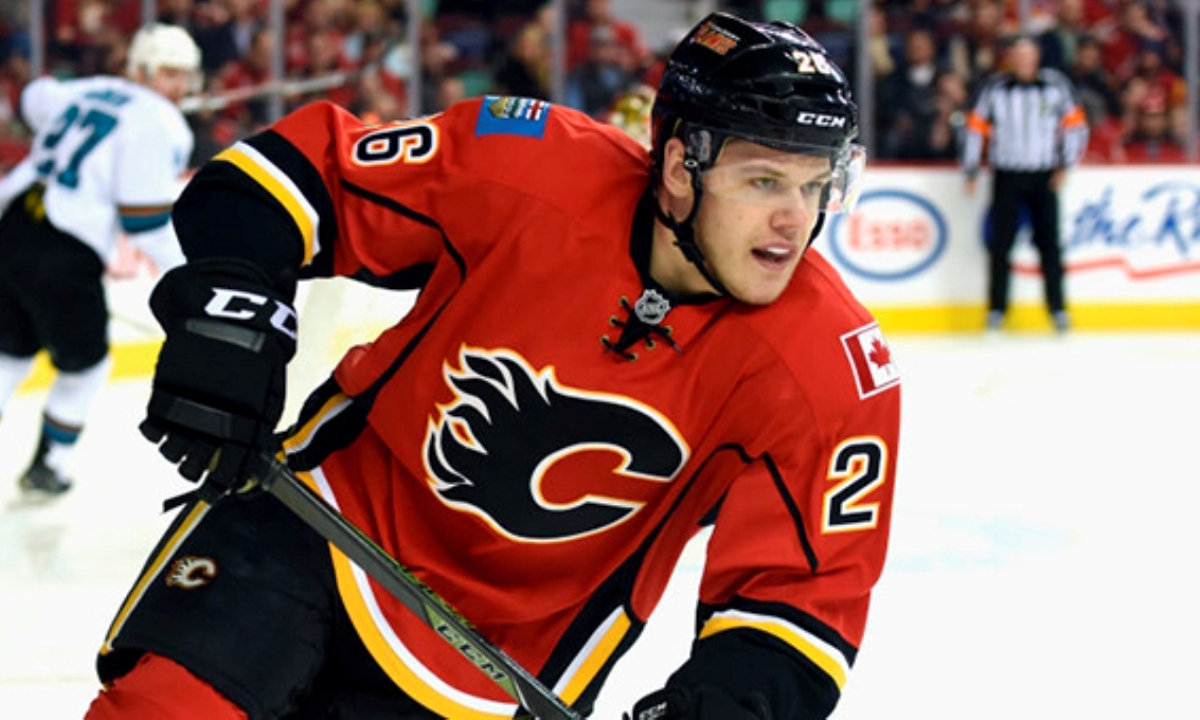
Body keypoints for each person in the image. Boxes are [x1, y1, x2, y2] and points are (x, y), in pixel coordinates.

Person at [86, 12, 901, 720]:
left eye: (815, 185)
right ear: (682, 165)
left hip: (502, 669)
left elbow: (799, 602)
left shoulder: (828, 367)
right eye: (764, 180)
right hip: (320, 526)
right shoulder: (530, 167)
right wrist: (231, 314)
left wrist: (728, 705)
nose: (795, 221)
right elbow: (283, 180)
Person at [0, 23, 198, 497]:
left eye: (184, 75)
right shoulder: (162, 122)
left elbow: (34, 98)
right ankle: (50, 464)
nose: (179, 85)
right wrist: (191, 274)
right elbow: (143, 220)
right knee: (86, 366)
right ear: (143, 70)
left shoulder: (90, 89)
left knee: (9, 354)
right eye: (169, 73)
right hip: (65, 250)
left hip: (12, 227)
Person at [963, 35, 1088, 334]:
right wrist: (971, 169)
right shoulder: (995, 88)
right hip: (1007, 174)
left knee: (1049, 245)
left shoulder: (1055, 85)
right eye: (1018, 55)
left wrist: (1066, 164)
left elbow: (1075, 125)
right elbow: (975, 128)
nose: (1023, 61)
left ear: (1036, 57)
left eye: (1028, 55)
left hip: (1044, 174)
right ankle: (996, 310)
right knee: (1000, 245)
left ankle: (1057, 309)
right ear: (1010, 58)